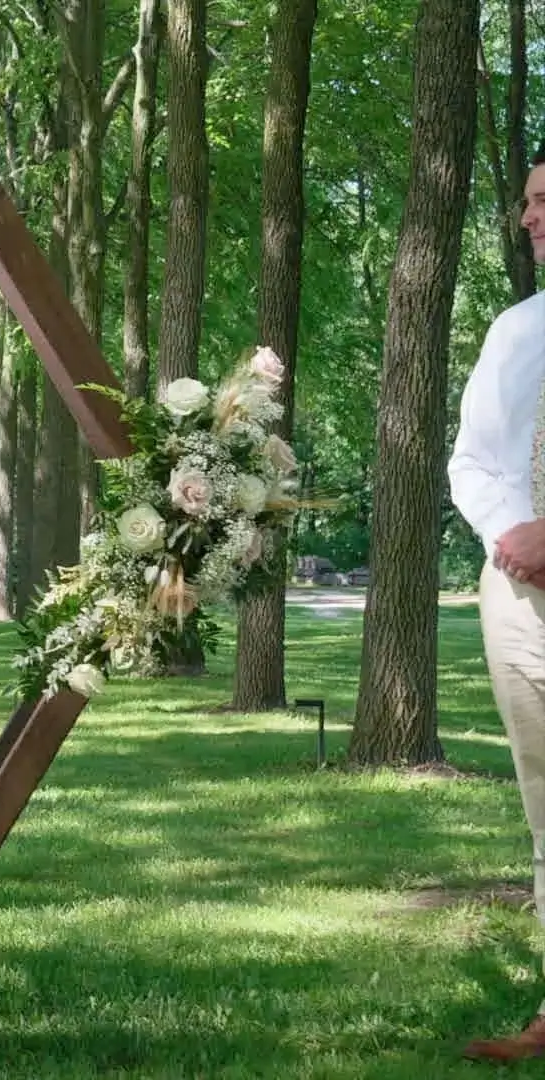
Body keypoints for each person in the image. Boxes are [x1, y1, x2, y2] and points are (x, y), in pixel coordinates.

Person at [450, 144, 545, 1063]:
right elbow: (471, 460)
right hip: (520, 601)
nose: (528, 216)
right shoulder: (516, 330)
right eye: (525, 200)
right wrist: (518, 533)